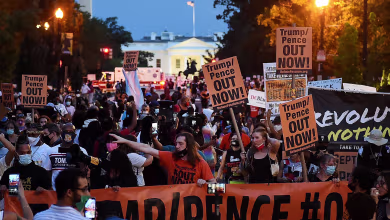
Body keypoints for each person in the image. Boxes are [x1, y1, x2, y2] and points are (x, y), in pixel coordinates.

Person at [110, 132, 216, 186]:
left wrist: (205, 184)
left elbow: (215, 185)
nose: (177, 146)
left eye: (180, 144)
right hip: (173, 204)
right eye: (176, 143)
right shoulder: (171, 157)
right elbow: (146, 148)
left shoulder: (201, 163)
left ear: (188, 146)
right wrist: (125, 141)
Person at [45, 123, 88, 190]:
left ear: (75, 135)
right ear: (61, 133)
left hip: (76, 190)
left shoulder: (82, 151)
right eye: (66, 132)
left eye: (71, 132)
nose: (68, 134)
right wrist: (50, 187)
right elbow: (47, 171)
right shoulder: (51, 151)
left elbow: (86, 172)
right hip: (56, 191)